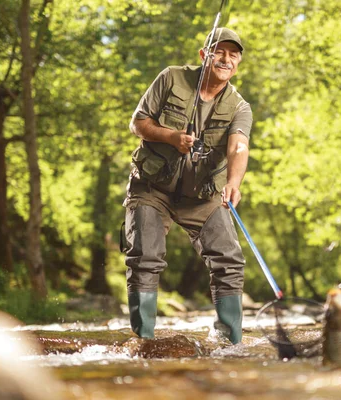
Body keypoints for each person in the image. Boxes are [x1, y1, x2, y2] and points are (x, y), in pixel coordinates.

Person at [122, 27, 252, 344]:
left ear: (238, 63)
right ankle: (144, 339)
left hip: (203, 195)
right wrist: (170, 137)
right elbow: (137, 123)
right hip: (152, 187)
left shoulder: (239, 107)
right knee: (146, 257)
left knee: (229, 259)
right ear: (203, 54)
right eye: (219, 51)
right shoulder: (171, 78)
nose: (225, 58)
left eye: (233, 54)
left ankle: (228, 341)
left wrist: (234, 182)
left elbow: (238, 147)